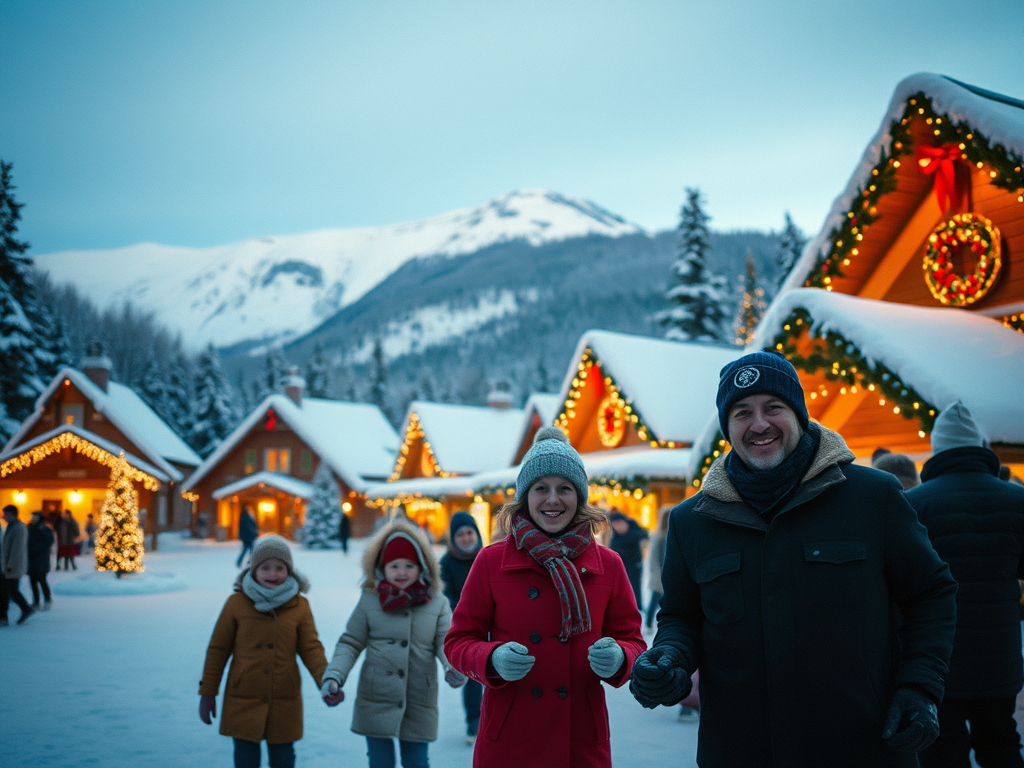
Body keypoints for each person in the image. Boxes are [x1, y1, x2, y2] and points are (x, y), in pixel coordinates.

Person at [629, 350, 957, 767]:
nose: (759, 424)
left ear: (799, 415)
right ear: (728, 428)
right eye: (742, 412)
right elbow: (681, 617)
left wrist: (920, 686)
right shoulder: (692, 521)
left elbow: (931, 594)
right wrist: (670, 657)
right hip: (740, 749)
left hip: (862, 744)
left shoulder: (873, 497)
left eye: (773, 408)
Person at [444, 427, 646, 768]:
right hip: (510, 740)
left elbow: (634, 641)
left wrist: (621, 658)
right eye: (541, 489)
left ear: (579, 497)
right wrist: (491, 659)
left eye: (565, 489)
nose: (553, 500)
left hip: (579, 741)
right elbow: (458, 642)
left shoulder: (608, 565)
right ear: (525, 497)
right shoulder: (492, 562)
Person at [907, 402, 1024, 768]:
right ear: (980, 445)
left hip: (941, 656)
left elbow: (904, 578)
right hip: (1000, 652)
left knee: (942, 751)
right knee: (1001, 742)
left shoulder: (914, 503)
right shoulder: (1017, 500)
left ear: (938, 449)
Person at [320, 519, 465, 768]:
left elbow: (445, 641)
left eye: (409, 565)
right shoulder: (370, 601)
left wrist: (452, 666)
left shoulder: (437, 603)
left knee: (417, 762)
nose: (401, 572)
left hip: (418, 699)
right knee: (380, 762)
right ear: (381, 568)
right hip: (376, 698)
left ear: (423, 568)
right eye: (394, 565)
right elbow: (351, 642)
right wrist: (334, 675)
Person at [199, 535, 328, 768]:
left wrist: (326, 681)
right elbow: (218, 649)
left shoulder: (299, 606)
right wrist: (208, 692)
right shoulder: (236, 604)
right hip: (243, 698)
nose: (273, 574)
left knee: (284, 760)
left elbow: (311, 648)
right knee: (246, 760)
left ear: (289, 570)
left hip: (284, 700)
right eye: (265, 567)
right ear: (253, 570)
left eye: (280, 568)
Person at [439, 511, 485, 744]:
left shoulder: (487, 557)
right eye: (460, 534)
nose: (466, 538)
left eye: (469, 532)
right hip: (467, 627)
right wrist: (467, 609)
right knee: (474, 675)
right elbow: (445, 596)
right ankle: (474, 721)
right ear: (453, 538)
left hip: (493, 624)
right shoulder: (446, 563)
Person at [608, 510, 648, 612]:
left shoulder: (633, 530)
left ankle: (637, 607)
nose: (618, 527)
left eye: (619, 523)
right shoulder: (616, 538)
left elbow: (644, 534)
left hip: (634, 565)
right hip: (621, 568)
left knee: (635, 588)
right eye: (615, 525)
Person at [1, 504, 35, 626]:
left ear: (12, 514)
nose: (3, 516)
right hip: (8, 565)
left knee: (11, 590)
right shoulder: (12, 526)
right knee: (6, 590)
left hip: (12, 566)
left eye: (5, 514)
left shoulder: (19, 528)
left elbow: (17, 549)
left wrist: (10, 565)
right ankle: (5, 615)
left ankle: (26, 609)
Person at [27, 511, 55, 611]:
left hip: (41, 559)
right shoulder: (29, 528)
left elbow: (50, 541)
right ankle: (36, 602)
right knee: (32, 581)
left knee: (42, 580)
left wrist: (39, 548)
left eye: (35, 517)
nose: (33, 519)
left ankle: (47, 599)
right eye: (32, 517)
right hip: (31, 559)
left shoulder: (44, 529)